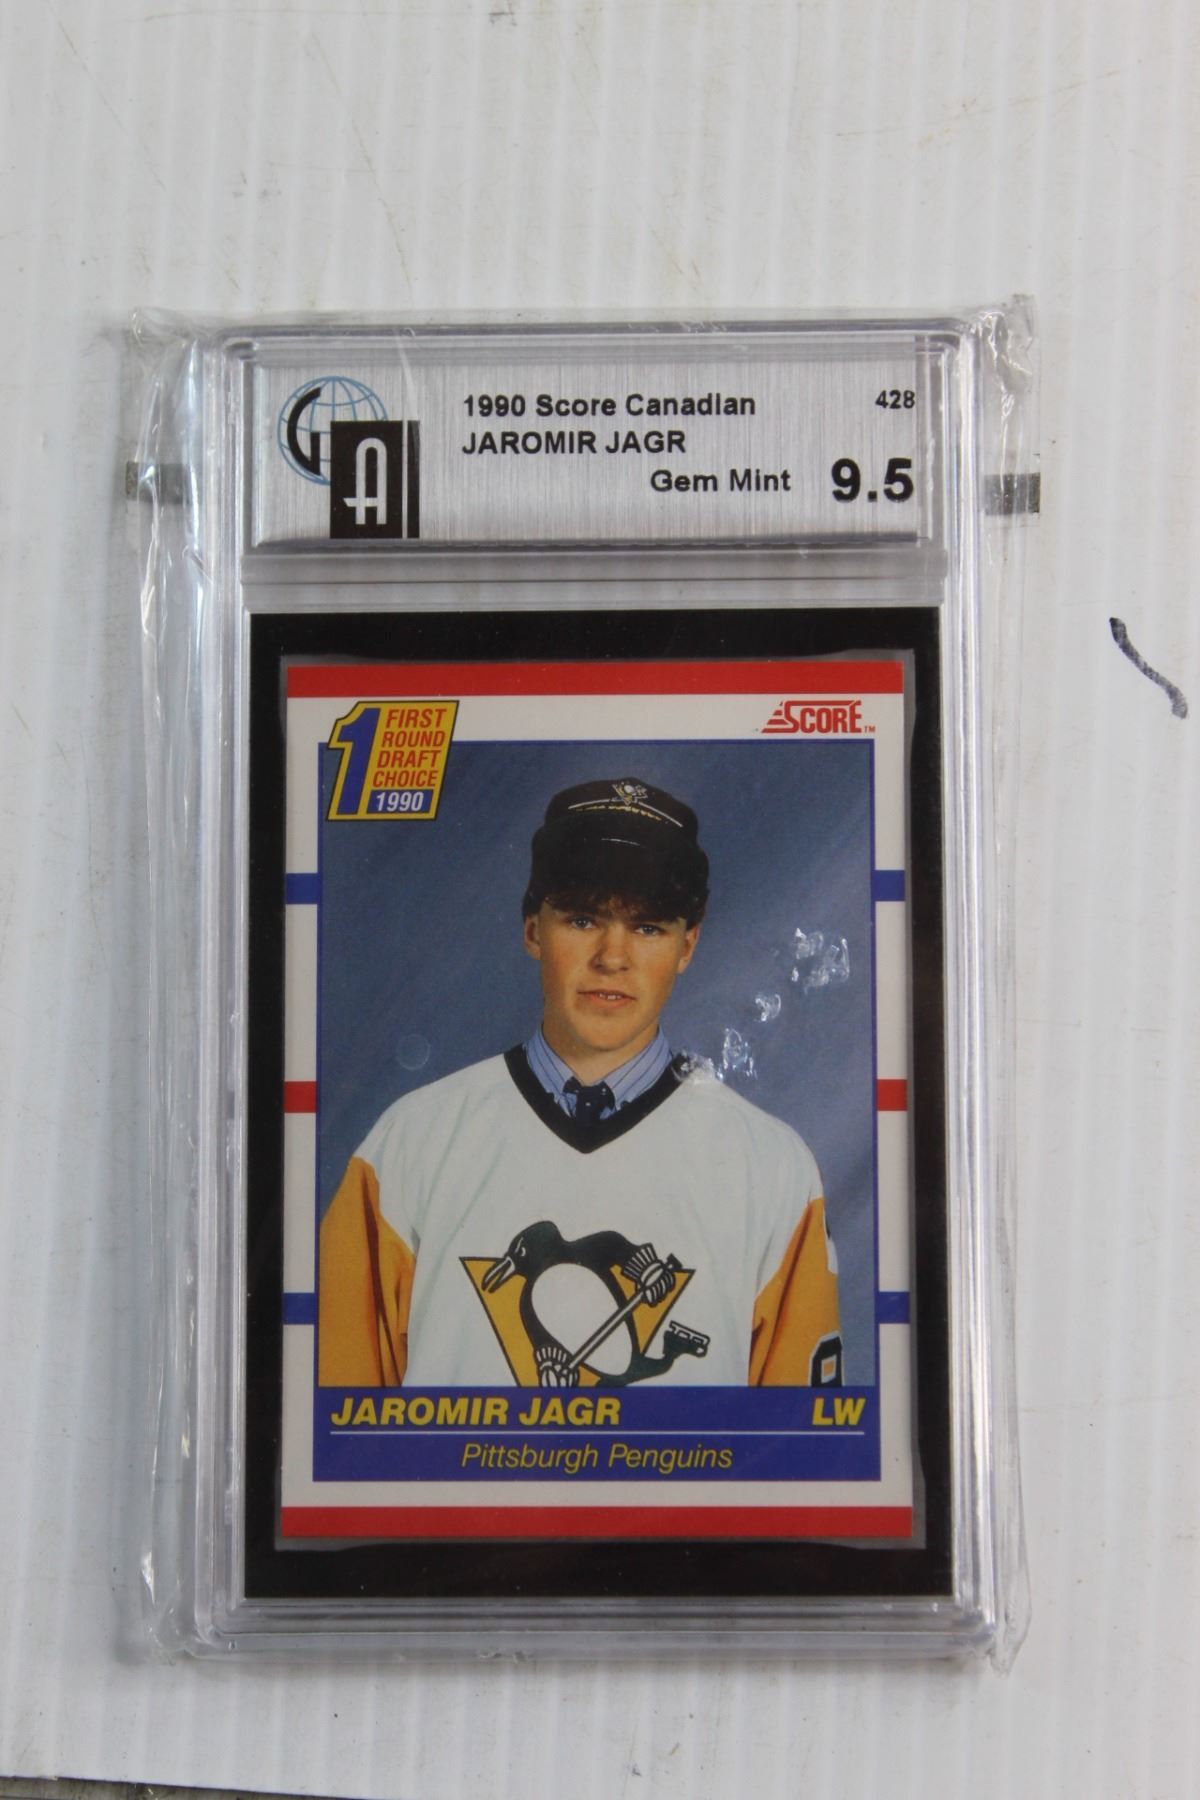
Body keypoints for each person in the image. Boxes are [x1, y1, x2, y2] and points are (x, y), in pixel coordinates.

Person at [318, 777, 842, 1389]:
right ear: (533, 930)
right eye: (583, 918)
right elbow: (335, 1420)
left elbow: (798, 1440)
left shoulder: (773, 1166)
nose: (612, 957)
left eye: (648, 927)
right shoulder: (409, 1143)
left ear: (688, 945)